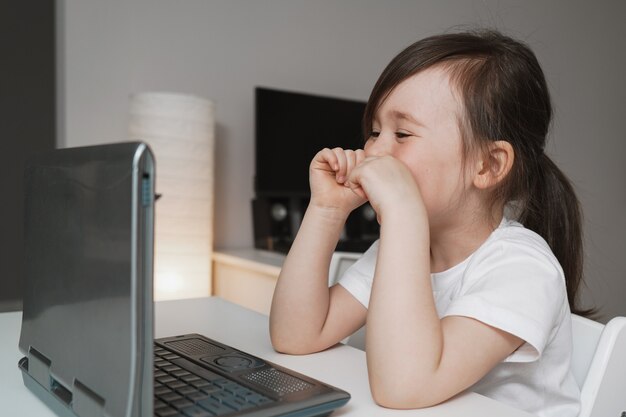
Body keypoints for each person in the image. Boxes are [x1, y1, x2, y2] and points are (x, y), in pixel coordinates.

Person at [269, 29, 586, 417]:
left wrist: (403, 214)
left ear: (488, 165)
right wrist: (326, 211)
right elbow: (296, 336)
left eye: (402, 133)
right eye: (374, 131)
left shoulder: (522, 270)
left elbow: (404, 387)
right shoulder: (399, 249)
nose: (374, 150)